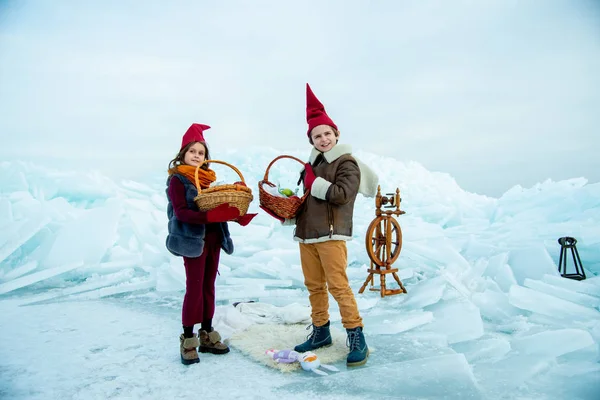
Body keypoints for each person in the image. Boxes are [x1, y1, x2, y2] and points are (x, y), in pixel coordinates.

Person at [261, 84, 378, 367]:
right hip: (307, 235)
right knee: (314, 286)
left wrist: (316, 184)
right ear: (311, 139)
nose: (323, 138)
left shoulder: (346, 162)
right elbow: (307, 200)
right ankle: (321, 332)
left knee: (338, 286)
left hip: (331, 234)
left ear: (336, 134)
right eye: (317, 135)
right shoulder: (309, 166)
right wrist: (286, 210)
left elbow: (342, 195)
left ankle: (355, 333)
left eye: (327, 133)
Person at [166, 123, 257, 365]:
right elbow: (182, 212)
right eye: (193, 151)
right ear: (183, 153)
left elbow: (215, 207)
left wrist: (236, 215)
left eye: (201, 153)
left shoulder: (207, 181)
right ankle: (187, 338)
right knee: (194, 289)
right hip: (193, 242)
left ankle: (206, 333)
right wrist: (209, 217)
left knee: (209, 287)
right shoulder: (178, 180)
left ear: (206, 158)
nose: (197, 156)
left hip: (214, 239)